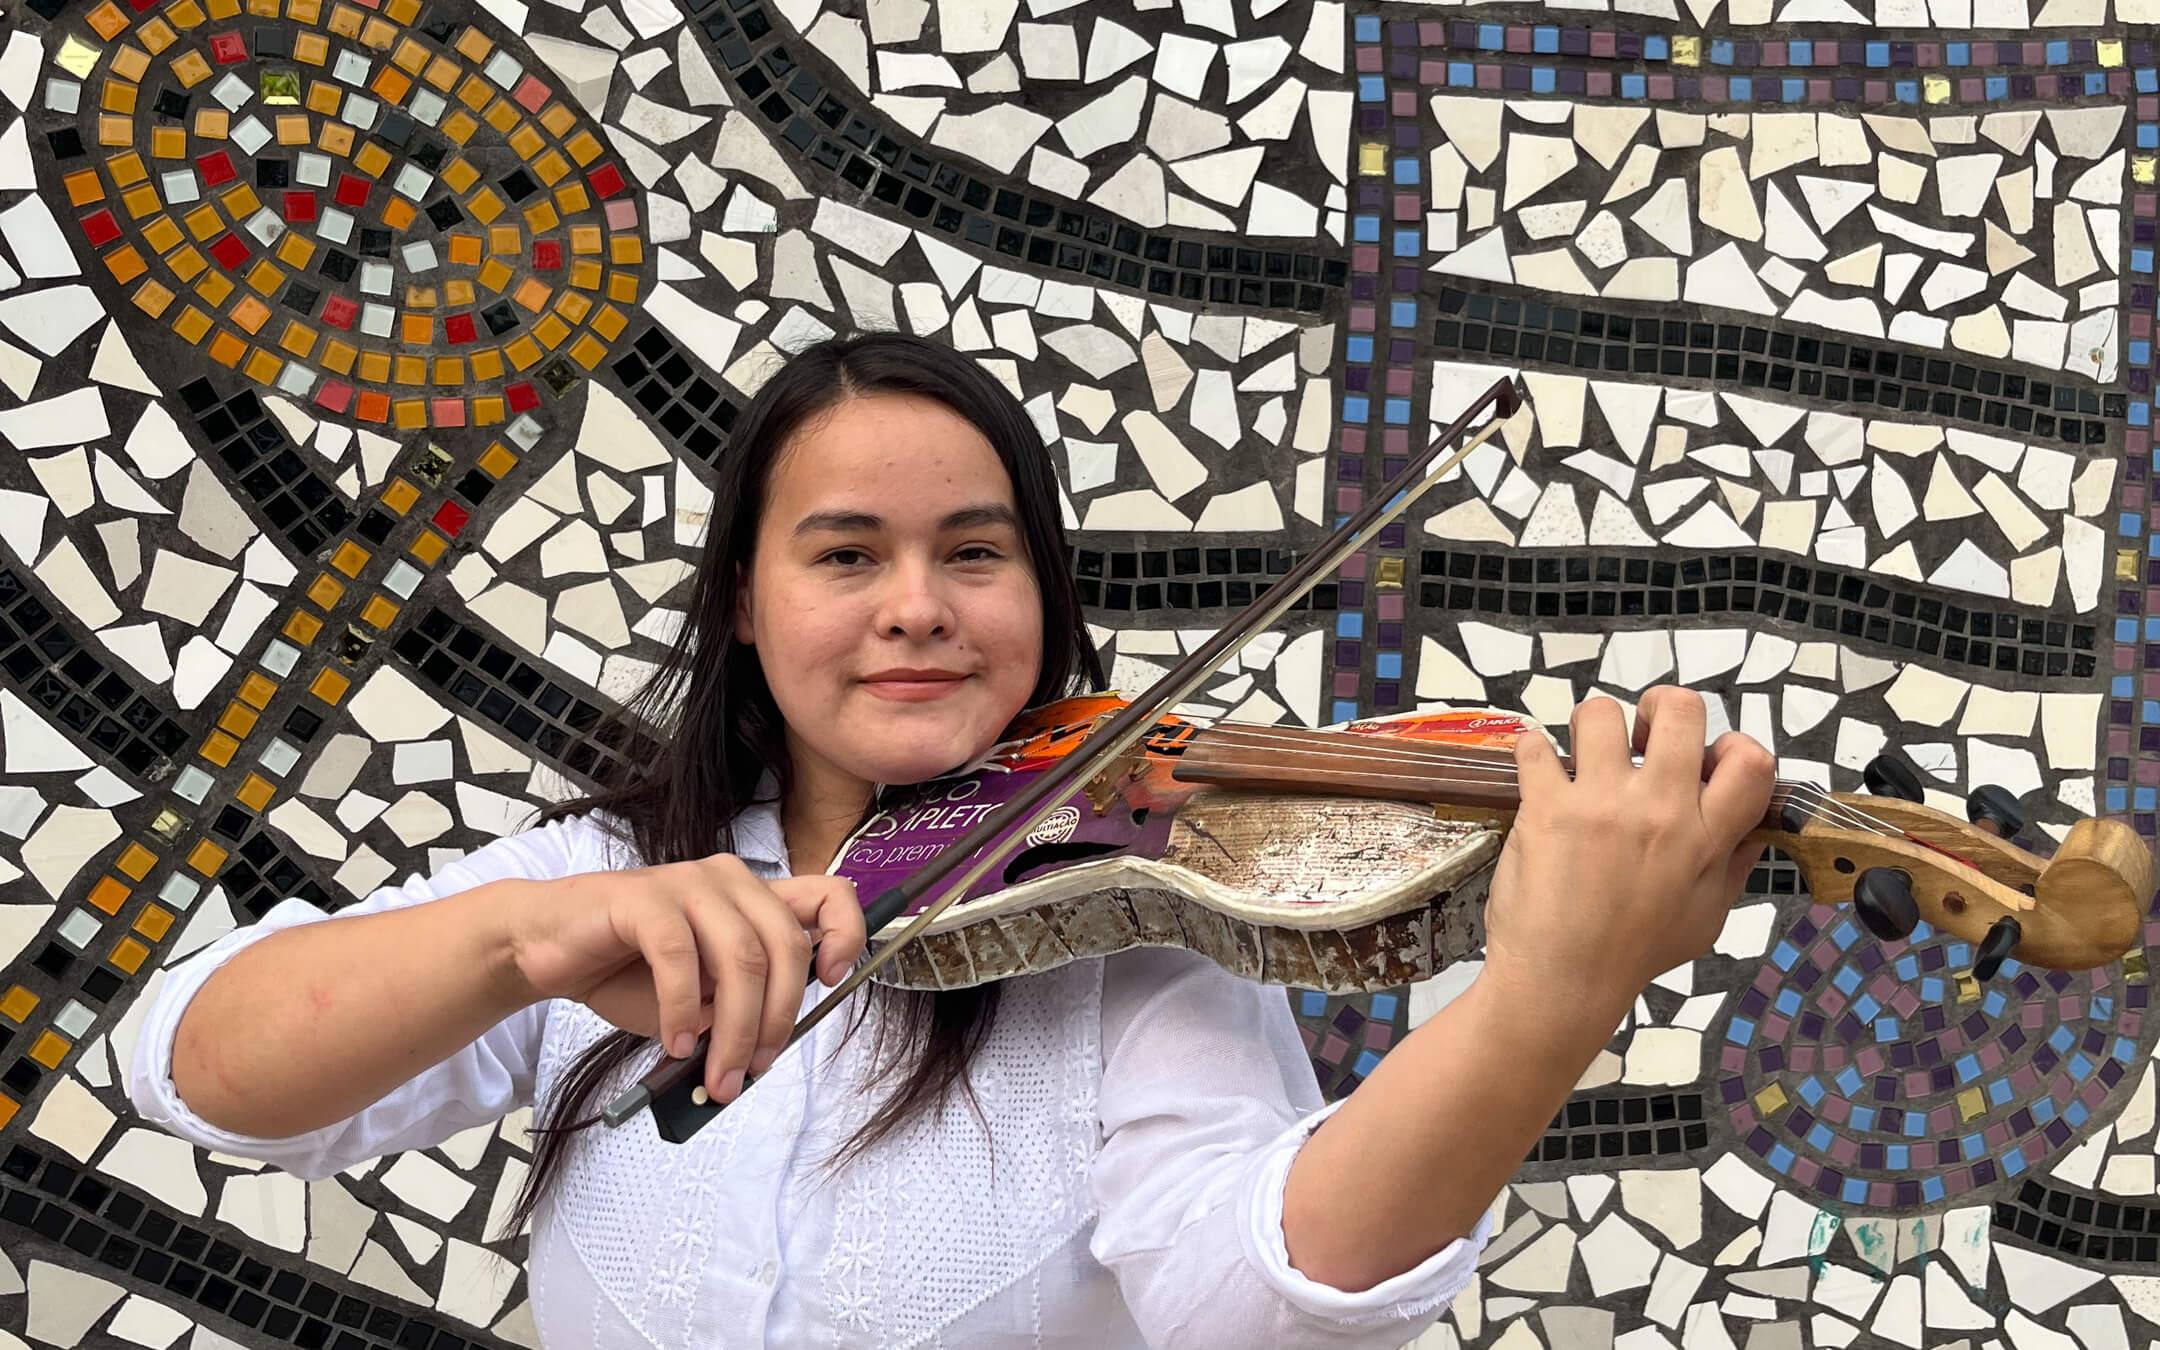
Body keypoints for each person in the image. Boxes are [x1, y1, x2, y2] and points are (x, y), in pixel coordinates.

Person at [126, 332, 1776, 1348]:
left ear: (1041, 605)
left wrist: (1549, 996)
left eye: (974, 554)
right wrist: (511, 943)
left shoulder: (1131, 928)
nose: (918, 606)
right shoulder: (613, 881)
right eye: (846, 555)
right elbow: (197, 1065)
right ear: (751, 614)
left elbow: (1263, 1300)